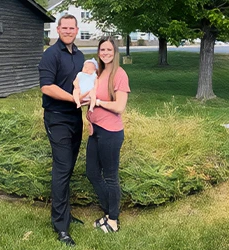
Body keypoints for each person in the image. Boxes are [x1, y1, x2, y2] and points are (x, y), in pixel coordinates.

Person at [37, 14, 85, 247]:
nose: (67, 31)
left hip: (76, 118)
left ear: (77, 30)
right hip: (57, 119)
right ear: (58, 29)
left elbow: (85, 83)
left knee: (68, 168)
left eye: (71, 28)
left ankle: (65, 214)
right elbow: (47, 87)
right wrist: (73, 99)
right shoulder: (51, 54)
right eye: (64, 27)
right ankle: (60, 226)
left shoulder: (79, 55)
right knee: (62, 169)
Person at [85, 37, 130, 233]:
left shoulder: (119, 74)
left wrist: (99, 104)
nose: (105, 53)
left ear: (115, 52)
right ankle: (109, 212)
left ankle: (113, 220)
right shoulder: (99, 73)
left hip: (111, 133)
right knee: (92, 172)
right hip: (95, 131)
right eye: (102, 49)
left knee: (110, 176)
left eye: (109, 50)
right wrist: (89, 117)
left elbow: (119, 106)